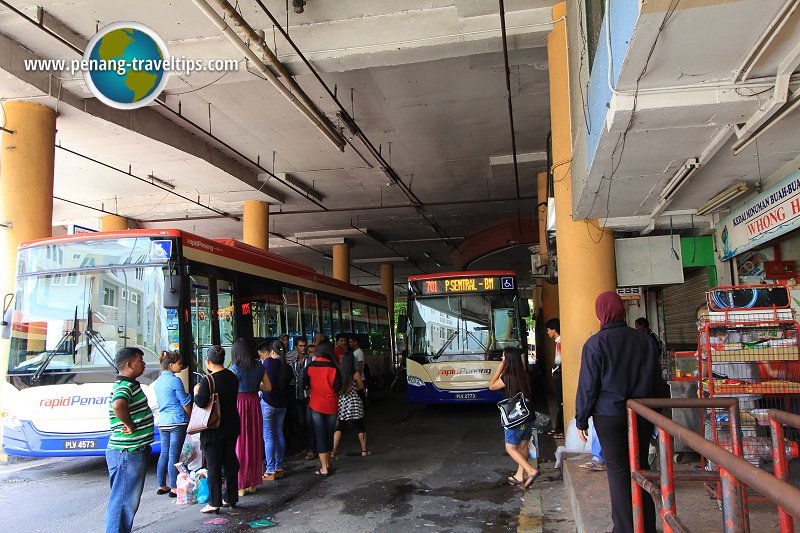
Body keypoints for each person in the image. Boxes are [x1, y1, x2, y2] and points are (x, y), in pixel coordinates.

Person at [575, 292, 661, 533]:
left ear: (599, 313)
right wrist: (657, 413)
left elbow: (588, 385)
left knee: (618, 471)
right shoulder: (645, 340)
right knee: (641, 466)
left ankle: (624, 528)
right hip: (642, 414)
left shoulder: (595, 344)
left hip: (609, 416)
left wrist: (581, 417)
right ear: (622, 311)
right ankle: (647, 527)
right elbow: (656, 379)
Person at [105, 347, 154, 533]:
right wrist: (130, 425)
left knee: (125, 499)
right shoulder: (124, 386)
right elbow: (118, 404)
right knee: (123, 501)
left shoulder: (130, 384)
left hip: (130, 451)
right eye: (141, 360)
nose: (144, 364)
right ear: (129, 364)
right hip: (127, 452)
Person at [193, 345, 241, 514]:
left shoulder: (208, 380)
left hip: (214, 427)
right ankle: (231, 498)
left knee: (213, 465)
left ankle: (214, 502)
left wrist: (196, 390)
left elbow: (200, 402)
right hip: (232, 425)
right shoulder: (232, 377)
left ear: (208, 362)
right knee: (230, 461)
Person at [488, 347, 540, 490]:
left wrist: (500, 367)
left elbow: (491, 386)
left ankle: (531, 471)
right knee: (523, 446)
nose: (502, 359)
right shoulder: (524, 375)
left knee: (510, 448)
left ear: (508, 360)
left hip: (514, 418)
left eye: (503, 357)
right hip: (528, 416)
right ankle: (519, 475)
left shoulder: (508, 376)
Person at [229, 338, 271, 496]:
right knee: (254, 442)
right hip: (254, 403)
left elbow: (230, 389)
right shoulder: (259, 366)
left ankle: (241, 485)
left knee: (240, 443)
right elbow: (268, 387)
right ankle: (253, 483)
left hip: (239, 404)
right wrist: (255, 385)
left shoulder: (235, 368)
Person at [153, 350, 192, 498]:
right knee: (173, 455)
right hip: (177, 421)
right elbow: (185, 402)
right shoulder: (175, 380)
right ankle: (175, 487)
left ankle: (162, 484)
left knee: (164, 453)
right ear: (170, 365)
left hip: (163, 422)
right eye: (179, 363)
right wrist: (191, 417)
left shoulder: (158, 381)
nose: (181, 365)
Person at [303, 340, 342, 476]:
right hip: (331, 404)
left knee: (320, 435)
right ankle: (328, 463)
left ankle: (324, 467)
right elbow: (338, 388)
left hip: (316, 404)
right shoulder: (334, 367)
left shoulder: (310, 366)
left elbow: (304, 384)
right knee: (329, 432)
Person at [259, 340, 292, 480]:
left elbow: (262, 382)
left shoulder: (268, 363)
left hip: (268, 403)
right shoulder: (287, 366)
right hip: (282, 404)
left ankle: (270, 469)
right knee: (279, 433)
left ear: (272, 351)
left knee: (268, 436)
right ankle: (279, 466)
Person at [331, 351, 370, 458]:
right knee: (360, 426)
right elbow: (361, 386)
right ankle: (364, 450)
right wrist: (355, 388)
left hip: (343, 402)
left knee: (340, 426)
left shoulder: (338, 373)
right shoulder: (355, 374)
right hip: (354, 401)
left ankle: (334, 450)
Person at [289, 338, 316, 460]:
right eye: (300, 346)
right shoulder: (294, 361)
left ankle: (312, 448)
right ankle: (305, 445)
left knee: (309, 422)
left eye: (304, 346)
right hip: (297, 395)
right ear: (296, 347)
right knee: (301, 422)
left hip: (308, 395)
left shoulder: (311, 360)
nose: (303, 348)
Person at [545, 318, 564, 439]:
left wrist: (554, 372)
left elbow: (558, 362)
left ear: (554, 330)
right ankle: (558, 428)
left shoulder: (560, 342)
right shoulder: (558, 342)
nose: (547, 332)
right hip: (557, 375)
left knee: (560, 403)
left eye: (548, 330)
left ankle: (560, 430)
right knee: (559, 403)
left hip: (559, 376)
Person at [635, 317, 668, 381]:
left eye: (637, 327)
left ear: (643, 326)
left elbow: (657, 352)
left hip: (654, 368)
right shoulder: (649, 337)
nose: (636, 330)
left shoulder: (651, 338)